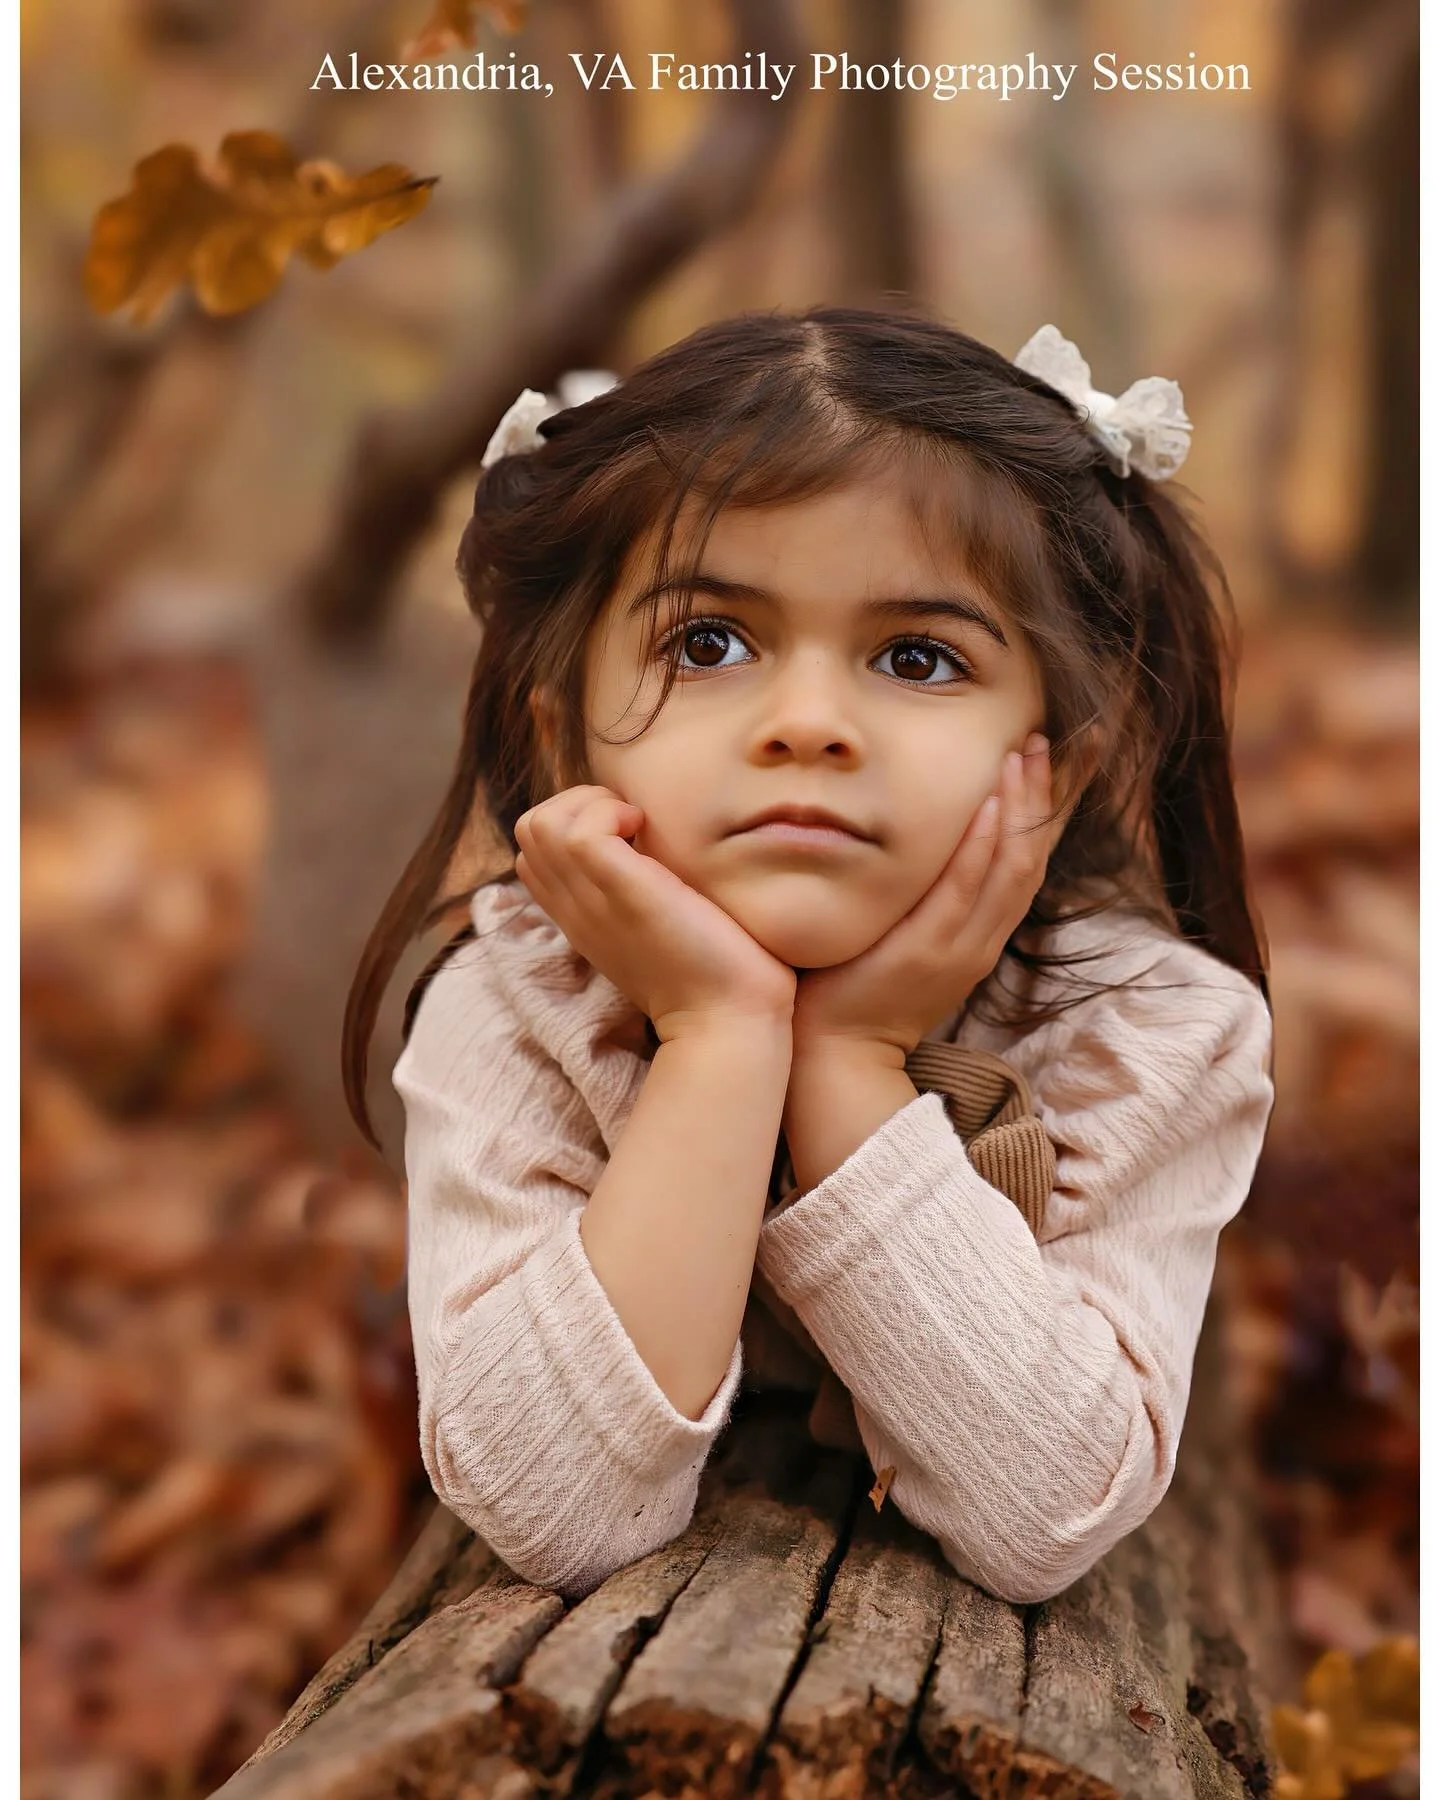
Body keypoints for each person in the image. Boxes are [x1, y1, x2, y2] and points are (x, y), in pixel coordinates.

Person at [341, 307, 1275, 1606]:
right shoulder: (515, 1002)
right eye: (707, 643)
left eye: (917, 656)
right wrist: (720, 1036)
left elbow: (1050, 1511)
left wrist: (851, 1063)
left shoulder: (1148, 1027)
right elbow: (553, 1506)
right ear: (562, 741)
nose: (809, 724)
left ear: (1063, 768)